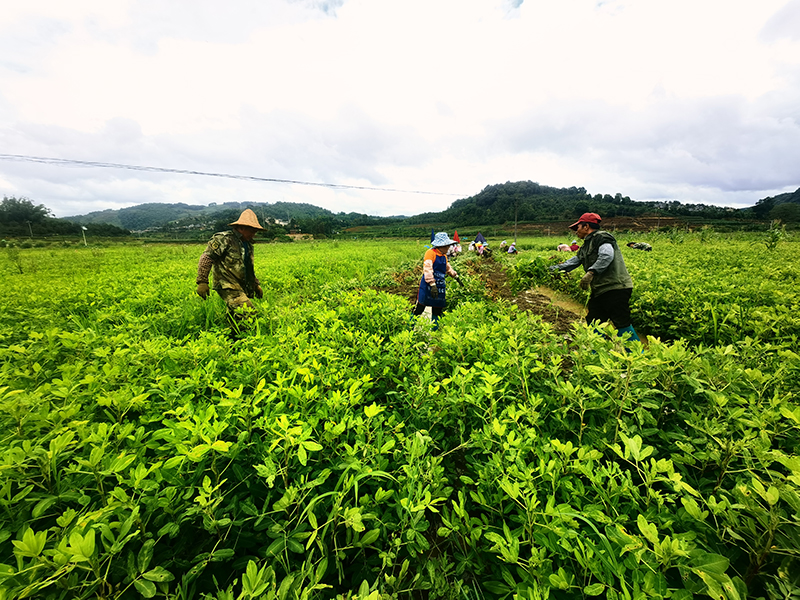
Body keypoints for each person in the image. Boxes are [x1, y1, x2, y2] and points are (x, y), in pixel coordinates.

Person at [549, 212, 640, 341]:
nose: (576, 231)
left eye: (578, 228)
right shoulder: (585, 246)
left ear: (586, 227)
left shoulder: (601, 238)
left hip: (615, 287)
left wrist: (591, 273)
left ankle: (638, 355)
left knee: (621, 322)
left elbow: (607, 255)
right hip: (600, 290)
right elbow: (573, 262)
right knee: (594, 321)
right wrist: (551, 270)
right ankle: (595, 352)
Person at [196, 209, 264, 323]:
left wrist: (255, 284)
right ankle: (248, 337)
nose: (254, 234)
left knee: (235, 317)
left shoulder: (248, 244)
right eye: (251, 230)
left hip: (239, 285)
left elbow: (248, 268)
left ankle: (234, 337)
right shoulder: (224, 239)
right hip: (226, 284)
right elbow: (207, 257)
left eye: (255, 231)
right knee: (248, 313)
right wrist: (202, 281)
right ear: (241, 227)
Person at [412, 232, 461, 329]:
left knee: (437, 309)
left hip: (440, 285)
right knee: (420, 308)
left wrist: (456, 276)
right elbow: (428, 269)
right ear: (440, 245)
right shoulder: (430, 253)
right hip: (427, 285)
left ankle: (435, 333)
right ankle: (410, 327)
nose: (448, 248)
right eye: (446, 246)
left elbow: (447, 268)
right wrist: (432, 284)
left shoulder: (444, 256)